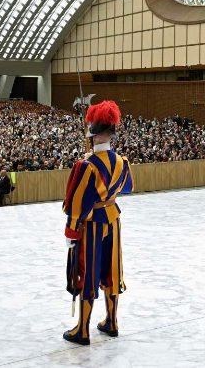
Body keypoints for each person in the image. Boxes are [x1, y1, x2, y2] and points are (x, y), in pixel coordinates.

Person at [62, 100, 134, 346]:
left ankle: (82, 329)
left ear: (93, 136)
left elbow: (77, 202)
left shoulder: (86, 166)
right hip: (113, 219)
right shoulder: (122, 162)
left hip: (92, 223)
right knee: (112, 270)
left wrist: (71, 231)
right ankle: (112, 321)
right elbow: (128, 188)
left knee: (88, 271)